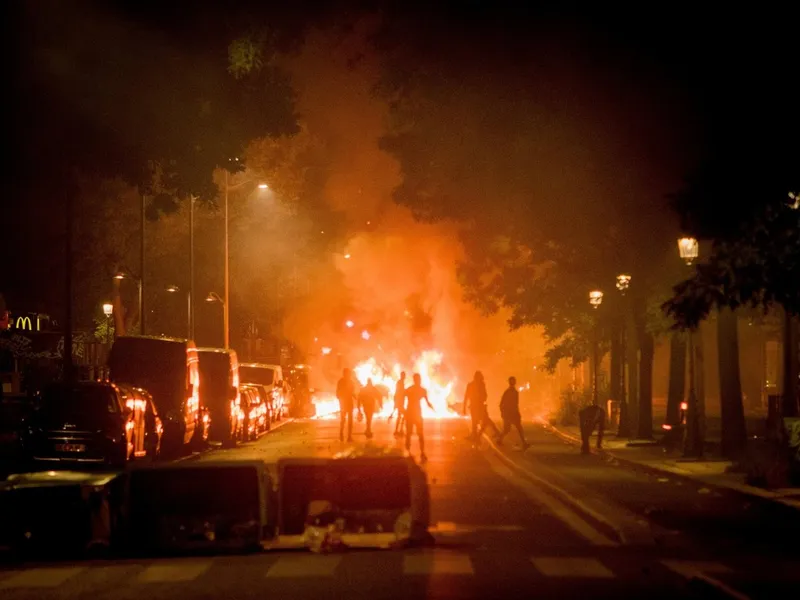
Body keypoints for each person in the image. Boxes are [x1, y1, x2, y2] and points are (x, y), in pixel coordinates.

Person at [405, 373, 435, 462]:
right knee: (413, 433)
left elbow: (427, 401)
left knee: (414, 433)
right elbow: (427, 402)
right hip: (414, 413)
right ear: (416, 380)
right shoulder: (419, 390)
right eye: (418, 379)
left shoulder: (411, 389)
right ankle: (412, 451)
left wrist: (431, 406)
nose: (418, 381)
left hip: (413, 413)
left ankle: (416, 451)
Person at [463, 371, 499, 441]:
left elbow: (467, 397)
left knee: (483, 421)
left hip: (478, 407)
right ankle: (476, 436)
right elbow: (467, 396)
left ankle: (476, 436)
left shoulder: (477, 385)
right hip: (477, 407)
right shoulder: (475, 385)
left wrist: (464, 408)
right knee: (478, 421)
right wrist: (464, 408)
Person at [496, 376, 529, 449]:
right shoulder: (507, 392)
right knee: (507, 429)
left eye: (513, 381)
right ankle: (499, 439)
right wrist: (503, 412)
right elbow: (502, 403)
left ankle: (524, 443)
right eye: (511, 381)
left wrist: (517, 412)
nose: (512, 383)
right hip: (508, 413)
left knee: (519, 428)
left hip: (514, 413)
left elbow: (516, 404)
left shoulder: (516, 392)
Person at [336, 368, 356, 442]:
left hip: (348, 402)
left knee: (349, 420)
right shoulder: (341, 382)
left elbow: (351, 392)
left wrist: (355, 397)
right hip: (344, 402)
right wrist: (340, 399)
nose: (348, 375)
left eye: (349, 373)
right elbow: (338, 392)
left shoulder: (349, 382)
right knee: (343, 419)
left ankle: (349, 436)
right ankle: (341, 435)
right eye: (348, 373)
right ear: (344, 374)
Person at [392, 371, 407, 437]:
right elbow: (398, 392)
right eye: (404, 375)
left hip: (400, 402)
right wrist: (396, 402)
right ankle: (399, 430)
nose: (404, 376)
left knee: (400, 416)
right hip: (400, 402)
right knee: (404, 415)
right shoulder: (400, 383)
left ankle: (398, 430)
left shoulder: (401, 382)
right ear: (402, 376)